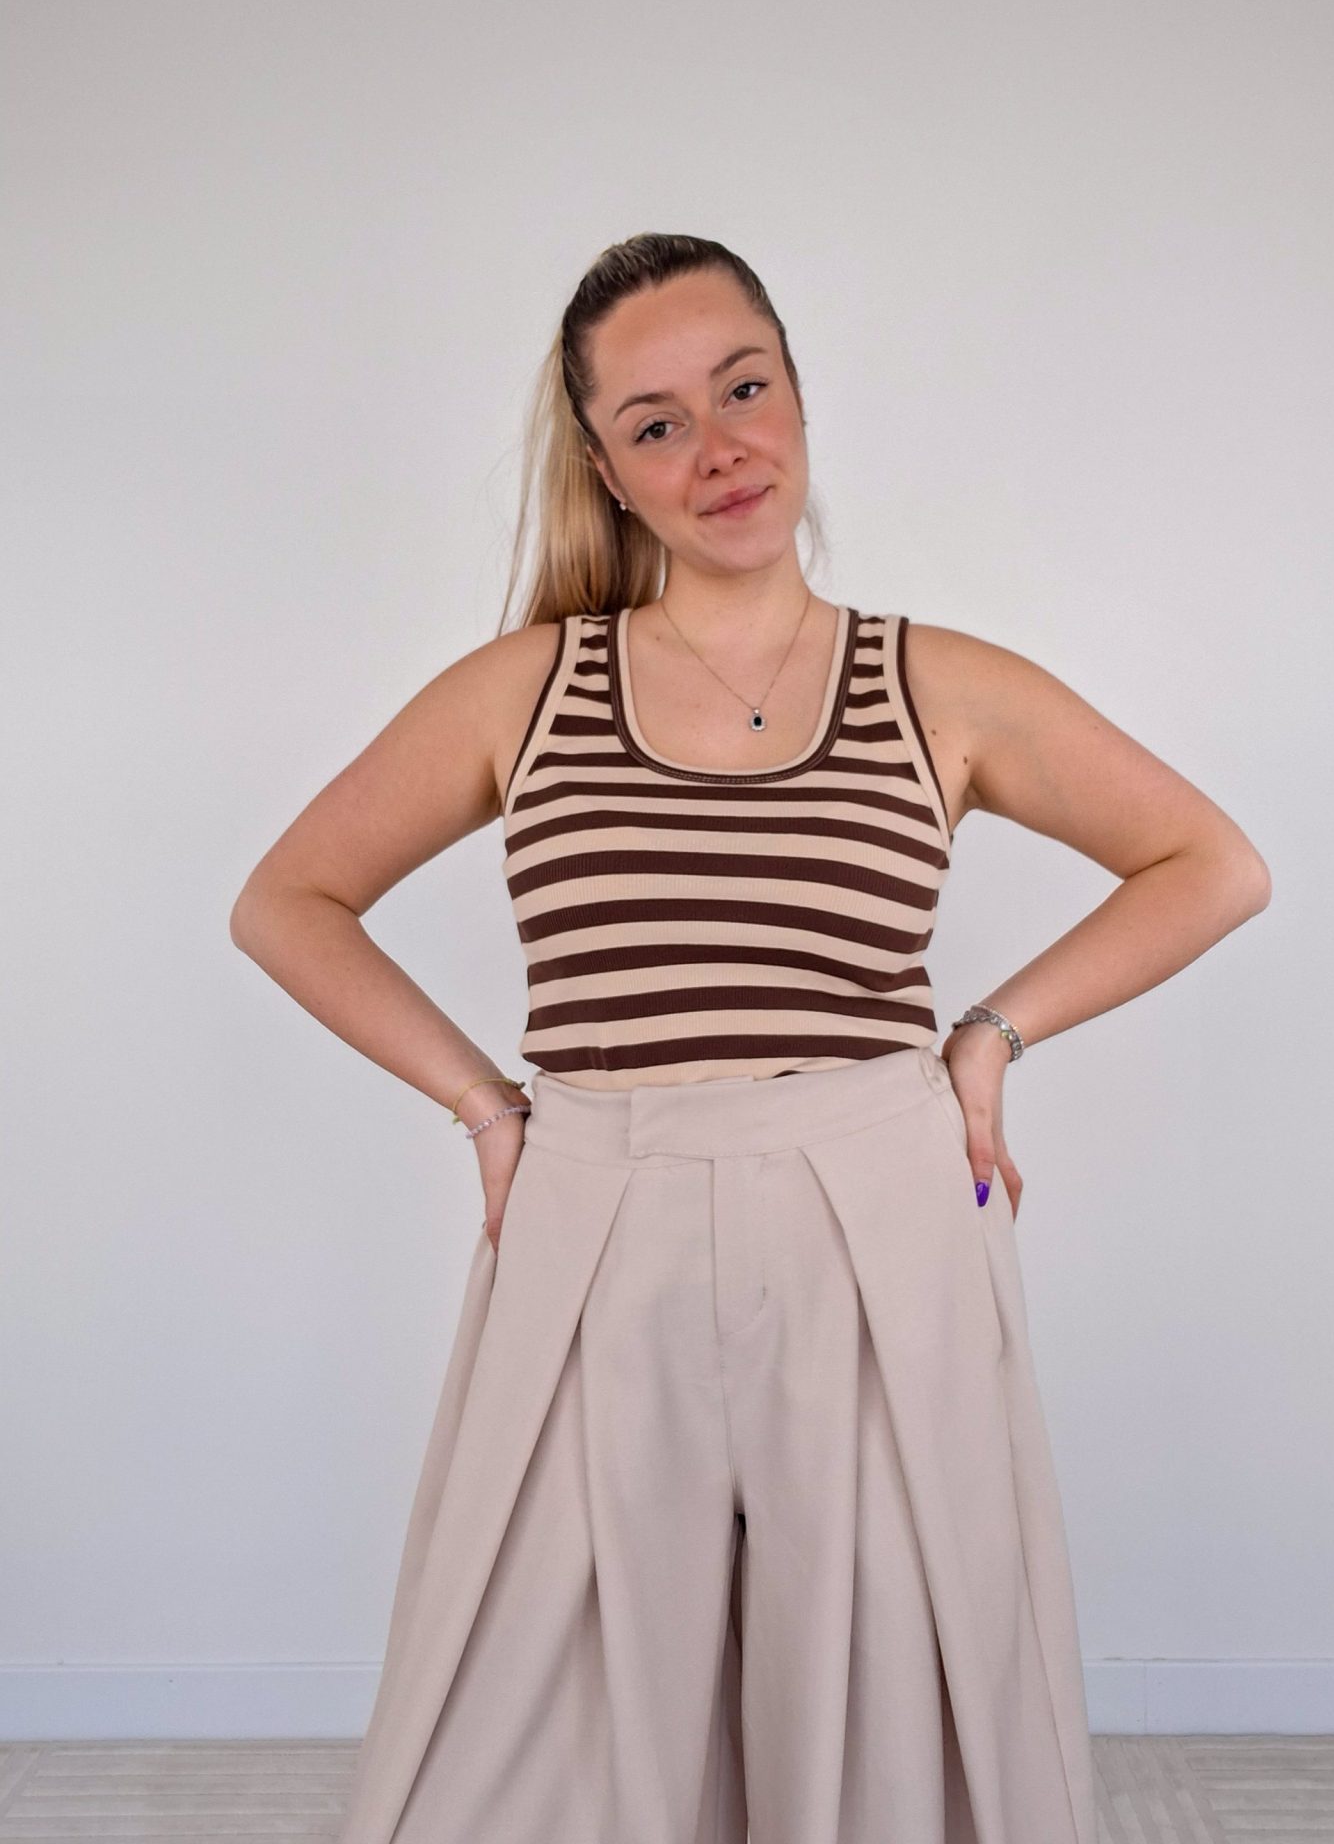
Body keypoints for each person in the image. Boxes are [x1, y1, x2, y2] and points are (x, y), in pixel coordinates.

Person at [230, 231, 1270, 1844]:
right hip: (596, 1216)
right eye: (656, 424)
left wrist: (991, 1038)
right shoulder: (524, 690)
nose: (716, 450)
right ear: (605, 469)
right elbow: (288, 900)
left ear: (796, 392)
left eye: (743, 389)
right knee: (530, 1728)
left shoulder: (937, 683)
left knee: (888, 1705)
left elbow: (1213, 863)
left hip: (879, 1217)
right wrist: (486, 1109)